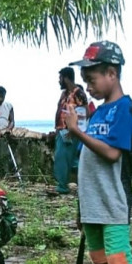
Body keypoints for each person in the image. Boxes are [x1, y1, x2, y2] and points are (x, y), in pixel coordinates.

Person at [66, 41, 132, 264]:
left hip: (113, 202)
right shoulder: (99, 112)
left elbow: (112, 153)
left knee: (120, 260)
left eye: (91, 79)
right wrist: (81, 207)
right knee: (99, 259)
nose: (87, 88)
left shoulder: (125, 108)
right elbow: (87, 161)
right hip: (93, 203)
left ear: (112, 73)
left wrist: (76, 131)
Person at [0, 86, 45, 177]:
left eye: (2, 97)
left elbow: (12, 121)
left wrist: (9, 129)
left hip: (6, 129)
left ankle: (43, 136)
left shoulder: (9, 106)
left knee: (22, 131)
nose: (0, 99)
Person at [48, 67, 89, 196]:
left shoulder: (78, 93)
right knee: (67, 159)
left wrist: (75, 129)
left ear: (66, 78)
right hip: (61, 131)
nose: (58, 81)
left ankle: (62, 186)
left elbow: (85, 113)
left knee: (64, 159)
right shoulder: (64, 94)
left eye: (60, 78)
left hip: (71, 132)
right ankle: (69, 184)